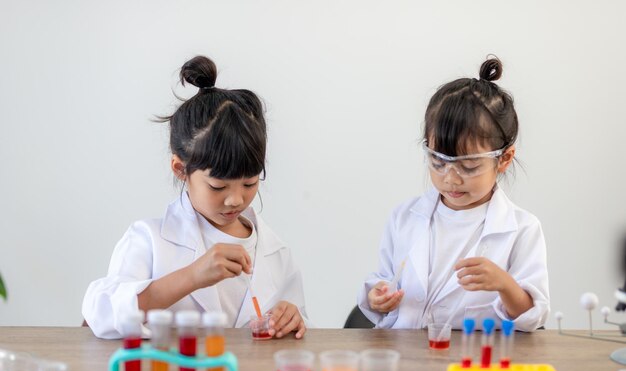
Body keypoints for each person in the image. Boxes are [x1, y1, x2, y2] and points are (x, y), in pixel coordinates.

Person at [82, 56, 309, 339]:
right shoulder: (148, 240)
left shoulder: (275, 252)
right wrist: (192, 276)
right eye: (218, 187)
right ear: (180, 168)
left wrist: (292, 317)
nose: (236, 200)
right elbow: (100, 313)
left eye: (249, 183)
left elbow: (297, 323)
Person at [358, 57, 549, 331]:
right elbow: (383, 280)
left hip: (474, 365)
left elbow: (533, 317)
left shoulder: (523, 229)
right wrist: (377, 296)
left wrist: (504, 284)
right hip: (405, 358)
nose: (450, 178)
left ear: (504, 159)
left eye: (468, 166)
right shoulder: (404, 217)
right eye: (437, 162)